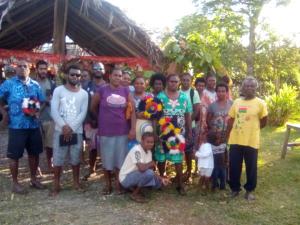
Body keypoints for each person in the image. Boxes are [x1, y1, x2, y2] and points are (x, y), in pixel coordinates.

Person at [0, 60, 45, 194]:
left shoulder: (35, 85)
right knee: (14, 156)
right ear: (16, 69)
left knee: (34, 154)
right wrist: (4, 113)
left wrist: (37, 112)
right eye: (19, 66)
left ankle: (33, 179)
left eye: (24, 66)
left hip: (33, 125)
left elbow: (41, 101)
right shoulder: (8, 84)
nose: (21, 68)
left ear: (29, 69)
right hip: (16, 126)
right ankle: (15, 183)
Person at [91, 67, 136, 195]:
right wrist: (101, 119)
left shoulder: (126, 91)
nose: (118, 78)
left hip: (122, 131)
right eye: (115, 75)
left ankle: (118, 184)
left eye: (120, 76)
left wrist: (132, 128)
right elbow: (93, 107)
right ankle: (107, 184)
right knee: (106, 159)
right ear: (109, 76)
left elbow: (132, 111)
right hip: (106, 131)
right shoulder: (102, 90)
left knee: (120, 159)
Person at [226, 76, 268, 201]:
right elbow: (231, 119)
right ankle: (235, 189)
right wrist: (227, 135)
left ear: (255, 88)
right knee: (234, 166)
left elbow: (264, 121)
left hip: (251, 140)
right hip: (235, 140)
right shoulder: (237, 102)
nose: (249, 88)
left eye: (251, 86)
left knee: (251, 167)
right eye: (246, 86)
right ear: (243, 88)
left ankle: (249, 190)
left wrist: (253, 130)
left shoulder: (260, 103)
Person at [50, 65, 88, 196]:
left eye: (78, 75)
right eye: (72, 74)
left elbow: (82, 113)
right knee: (58, 159)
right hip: (60, 130)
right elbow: (54, 110)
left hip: (76, 131)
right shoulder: (58, 90)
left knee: (75, 158)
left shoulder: (84, 94)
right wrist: (63, 126)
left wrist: (70, 128)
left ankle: (76, 183)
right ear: (67, 75)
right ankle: (56, 184)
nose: (75, 77)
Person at [155, 74, 192, 195]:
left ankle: (180, 184)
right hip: (163, 133)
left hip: (178, 134)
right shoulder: (160, 97)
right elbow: (155, 116)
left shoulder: (184, 97)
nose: (173, 83)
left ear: (179, 83)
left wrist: (189, 131)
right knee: (161, 158)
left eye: (176, 81)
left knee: (178, 159)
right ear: (167, 82)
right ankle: (161, 180)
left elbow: (188, 115)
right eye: (171, 81)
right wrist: (156, 133)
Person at [119, 132, 165, 203]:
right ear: (142, 141)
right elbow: (142, 168)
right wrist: (151, 163)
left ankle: (133, 188)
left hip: (136, 174)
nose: (150, 144)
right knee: (149, 174)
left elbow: (150, 170)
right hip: (125, 178)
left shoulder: (149, 152)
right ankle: (135, 194)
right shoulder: (136, 150)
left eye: (152, 142)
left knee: (158, 183)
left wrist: (161, 179)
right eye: (148, 142)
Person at [35, 60, 56, 173]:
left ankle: (50, 164)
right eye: (41, 69)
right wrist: (44, 103)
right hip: (35, 119)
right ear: (37, 70)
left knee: (50, 145)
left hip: (49, 118)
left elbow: (54, 100)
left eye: (44, 69)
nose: (43, 71)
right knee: (36, 145)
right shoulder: (32, 83)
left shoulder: (51, 83)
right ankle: (36, 167)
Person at [180, 73, 200, 182]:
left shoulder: (193, 92)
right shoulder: (177, 93)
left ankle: (188, 171)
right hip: (177, 127)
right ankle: (180, 171)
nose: (185, 82)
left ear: (191, 81)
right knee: (178, 149)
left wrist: (187, 123)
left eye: (188, 80)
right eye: (183, 80)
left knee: (188, 150)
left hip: (190, 126)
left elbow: (196, 110)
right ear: (180, 81)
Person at [132, 76, 153, 143]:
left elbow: (154, 112)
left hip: (146, 126)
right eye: (137, 83)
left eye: (141, 83)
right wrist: (136, 114)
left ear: (145, 85)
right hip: (132, 126)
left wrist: (146, 114)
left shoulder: (150, 96)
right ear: (133, 85)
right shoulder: (129, 95)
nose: (139, 85)